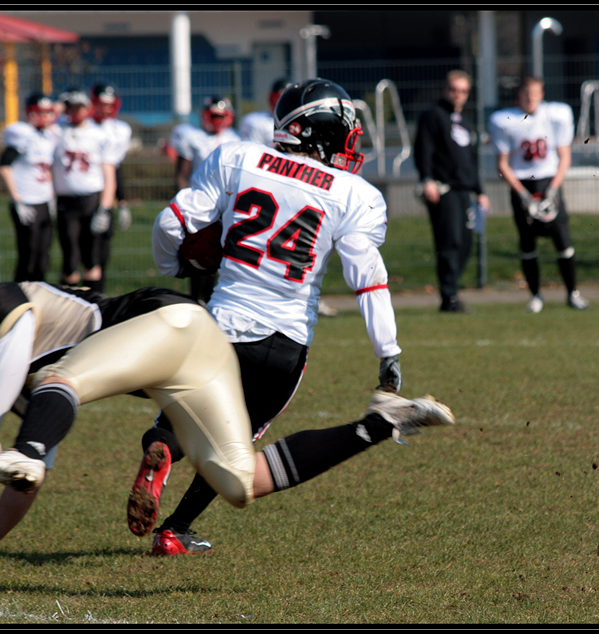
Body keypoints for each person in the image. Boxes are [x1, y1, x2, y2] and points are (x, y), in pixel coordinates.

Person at [0, 279, 454, 581]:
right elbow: (29, 477)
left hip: (171, 325)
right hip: (197, 352)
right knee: (238, 481)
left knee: (62, 378)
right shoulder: (27, 388)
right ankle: (382, 424)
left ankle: (116, 449)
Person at [128, 78, 405, 555]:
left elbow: (171, 222)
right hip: (283, 344)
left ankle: (161, 454)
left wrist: (174, 265)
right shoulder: (355, 193)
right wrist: (389, 352)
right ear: (319, 131)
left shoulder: (237, 157)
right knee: (233, 448)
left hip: (219, 327)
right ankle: (174, 532)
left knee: (181, 415)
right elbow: (369, 278)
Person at [238, 78, 339, 318]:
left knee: (308, 248)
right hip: (271, 187)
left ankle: (307, 296)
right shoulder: (255, 122)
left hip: (297, 185)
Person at [488, 76, 590, 313]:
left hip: (548, 182)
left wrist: (553, 188)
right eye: (526, 93)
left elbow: (564, 156)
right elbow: (502, 165)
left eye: (534, 93)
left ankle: (572, 293)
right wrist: (522, 193)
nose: (530, 98)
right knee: (527, 243)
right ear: (518, 96)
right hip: (522, 185)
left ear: (542, 94)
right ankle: (535, 296)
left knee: (563, 240)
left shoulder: (556, 115)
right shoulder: (505, 120)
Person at [414, 70, 492, 313]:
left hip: (464, 191)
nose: (458, 95)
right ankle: (449, 297)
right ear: (445, 89)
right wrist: (427, 179)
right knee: (450, 241)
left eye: (463, 91)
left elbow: (471, 160)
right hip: (443, 189)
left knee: (466, 243)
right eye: (454, 90)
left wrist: (480, 191)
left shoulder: (465, 123)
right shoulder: (433, 116)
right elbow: (423, 150)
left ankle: (452, 287)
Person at [170, 96, 242, 303]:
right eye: (214, 115)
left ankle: (215, 302)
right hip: (199, 204)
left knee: (224, 258)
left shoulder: (235, 140)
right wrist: (183, 204)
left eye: (221, 115)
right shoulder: (192, 136)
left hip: (226, 206)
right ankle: (195, 302)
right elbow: (182, 174)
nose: (217, 119)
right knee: (196, 254)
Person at [51, 88, 116, 292]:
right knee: (70, 259)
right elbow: (48, 118)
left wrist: (105, 207)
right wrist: (60, 105)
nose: (75, 113)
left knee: (92, 259)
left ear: (87, 109)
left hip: (91, 200)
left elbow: (109, 174)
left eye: (79, 108)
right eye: (71, 108)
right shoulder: (57, 131)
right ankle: (68, 307)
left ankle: (95, 308)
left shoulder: (99, 135)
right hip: (66, 202)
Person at [0, 92, 59, 283]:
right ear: (29, 113)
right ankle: (18, 301)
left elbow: (46, 171)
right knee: (28, 257)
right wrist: (17, 200)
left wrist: (51, 197)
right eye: (39, 112)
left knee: (43, 259)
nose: (44, 116)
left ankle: (38, 301)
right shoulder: (22, 134)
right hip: (26, 202)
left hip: (43, 202)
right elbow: (4, 166)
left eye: (47, 112)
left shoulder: (49, 137)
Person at [90, 83, 134, 280]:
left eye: (109, 105)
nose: (105, 109)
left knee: (102, 248)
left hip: (105, 195)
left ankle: (97, 297)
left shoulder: (119, 130)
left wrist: (122, 202)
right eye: (100, 104)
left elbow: (116, 168)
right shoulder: (82, 126)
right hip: (84, 192)